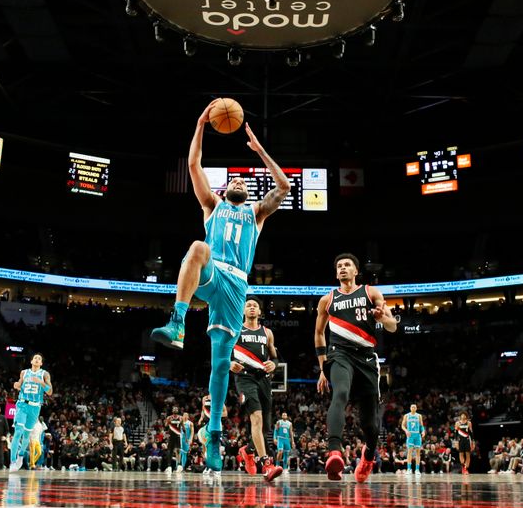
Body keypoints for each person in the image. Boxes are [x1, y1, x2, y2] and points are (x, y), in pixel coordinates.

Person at [150, 101, 290, 476]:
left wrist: (260, 152)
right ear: (225, 188)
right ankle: (177, 321)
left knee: (220, 363)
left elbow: (285, 186)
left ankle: (213, 434)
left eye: (245, 181)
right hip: (213, 273)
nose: (240, 183)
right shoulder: (212, 205)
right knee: (197, 247)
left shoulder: (256, 213)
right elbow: (194, 166)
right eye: (235, 181)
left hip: (236, 288)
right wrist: (199, 124)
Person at [315, 253, 398, 483]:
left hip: (367, 359)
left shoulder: (371, 293)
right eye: (339, 265)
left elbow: (392, 327)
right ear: (336, 273)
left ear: (355, 271)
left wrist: (382, 318)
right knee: (340, 393)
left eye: (347, 265)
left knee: (369, 424)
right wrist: (323, 368)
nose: (342, 268)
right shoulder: (328, 300)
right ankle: (334, 453)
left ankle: (368, 455)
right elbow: (319, 333)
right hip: (339, 354)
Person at [231, 297, 282, 481]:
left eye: (255, 306)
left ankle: (248, 450)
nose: (252, 308)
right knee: (257, 418)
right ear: (244, 310)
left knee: (265, 426)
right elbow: (222, 352)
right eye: (249, 305)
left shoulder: (267, 332)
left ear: (260, 312)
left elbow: (275, 357)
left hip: (263, 379)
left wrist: (273, 364)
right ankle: (266, 464)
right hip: (244, 378)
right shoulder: (236, 329)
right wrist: (230, 363)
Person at [10, 353, 53, 471]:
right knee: (18, 432)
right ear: (31, 361)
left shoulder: (44, 374)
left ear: (41, 363)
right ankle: (13, 461)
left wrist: (40, 382)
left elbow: (49, 392)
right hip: (22, 404)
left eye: (39, 359)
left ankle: (21, 454)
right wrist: (17, 385)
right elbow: (19, 384)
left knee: (26, 435)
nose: (37, 359)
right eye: (35, 358)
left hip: (35, 407)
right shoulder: (24, 372)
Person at [402, 404, 425, 475]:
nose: (413, 408)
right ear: (410, 408)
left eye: (414, 407)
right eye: (412, 407)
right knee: (410, 451)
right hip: (410, 435)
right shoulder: (406, 415)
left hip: (417, 435)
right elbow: (402, 425)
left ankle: (417, 469)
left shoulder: (419, 416)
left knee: (418, 452)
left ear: (416, 408)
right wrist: (406, 430)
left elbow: (421, 425)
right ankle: (409, 469)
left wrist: (423, 431)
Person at [164, 406, 182, 474]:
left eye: (176, 409)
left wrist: (186, 438)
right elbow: (166, 425)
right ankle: (169, 467)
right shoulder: (169, 417)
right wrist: (167, 421)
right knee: (170, 451)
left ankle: (179, 465)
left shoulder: (180, 417)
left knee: (178, 451)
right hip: (171, 436)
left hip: (177, 436)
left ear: (178, 410)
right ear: (172, 410)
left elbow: (183, 427)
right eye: (174, 409)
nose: (175, 409)